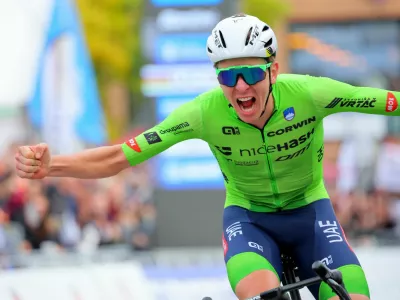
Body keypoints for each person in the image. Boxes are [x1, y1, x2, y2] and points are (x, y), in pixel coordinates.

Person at [14, 13, 400, 300]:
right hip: (251, 221)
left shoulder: (311, 93)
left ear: (274, 71)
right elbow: (118, 157)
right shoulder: (203, 111)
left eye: (250, 73)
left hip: (311, 213)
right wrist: (53, 166)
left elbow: (390, 103)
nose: (241, 87)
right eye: (228, 77)